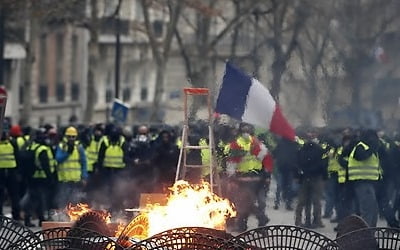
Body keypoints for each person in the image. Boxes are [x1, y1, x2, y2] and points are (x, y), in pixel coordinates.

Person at [225, 123, 270, 232]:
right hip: (254, 178)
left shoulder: (237, 145)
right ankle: (257, 222)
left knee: (244, 203)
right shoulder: (258, 145)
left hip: (246, 179)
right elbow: (266, 161)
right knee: (248, 202)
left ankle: (253, 221)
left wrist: (231, 176)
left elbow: (231, 162)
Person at [22, 128, 55, 227]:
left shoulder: (31, 147)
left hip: (30, 177)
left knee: (32, 198)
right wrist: (50, 178)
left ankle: (28, 218)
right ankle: (41, 218)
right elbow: (46, 166)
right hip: (41, 178)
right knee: (40, 199)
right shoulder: (42, 149)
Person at [347, 129, 381, 227]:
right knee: (368, 210)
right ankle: (366, 234)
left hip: (369, 182)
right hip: (363, 182)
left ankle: (370, 232)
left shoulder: (367, 146)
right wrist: (372, 148)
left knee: (373, 211)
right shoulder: (361, 146)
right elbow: (361, 156)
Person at [295, 131, 327, 228]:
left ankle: (302, 220)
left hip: (306, 177)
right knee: (315, 200)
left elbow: (297, 164)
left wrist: (298, 176)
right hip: (316, 177)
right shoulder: (319, 149)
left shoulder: (302, 149)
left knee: (304, 200)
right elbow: (323, 164)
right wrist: (324, 176)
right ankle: (316, 220)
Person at [55, 126, 88, 209]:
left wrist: (84, 177)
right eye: (69, 136)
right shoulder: (61, 146)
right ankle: (62, 218)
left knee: (75, 202)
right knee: (63, 201)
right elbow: (58, 159)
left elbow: (84, 163)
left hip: (76, 180)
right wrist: (68, 153)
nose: (71, 138)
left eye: (73, 137)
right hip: (64, 180)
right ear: (66, 136)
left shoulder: (79, 147)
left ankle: (73, 219)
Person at [0, 131, 21, 220]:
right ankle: (16, 216)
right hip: (11, 171)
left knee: (1, 195)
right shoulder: (12, 143)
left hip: (2, 172)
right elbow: (17, 156)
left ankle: (1, 216)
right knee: (14, 195)